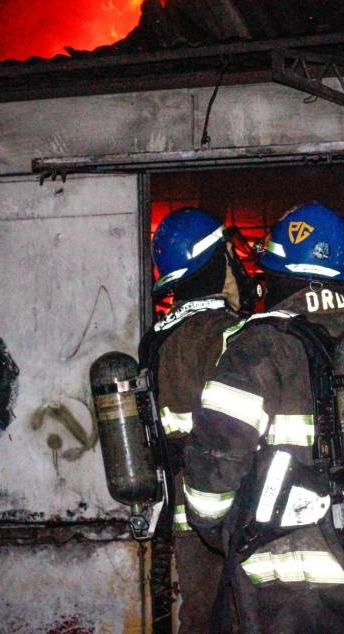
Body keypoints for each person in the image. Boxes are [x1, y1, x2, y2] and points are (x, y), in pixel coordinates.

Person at [183, 202, 344, 633]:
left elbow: (215, 465)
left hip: (289, 596)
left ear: (277, 274)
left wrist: (218, 528)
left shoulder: (257, 350)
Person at [140, 207, 259, 633]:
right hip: (242, 516)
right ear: (215, 264)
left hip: (187, 522)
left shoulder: (155, 342)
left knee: (201, 617)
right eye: (229, 258)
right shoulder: (238, 337)